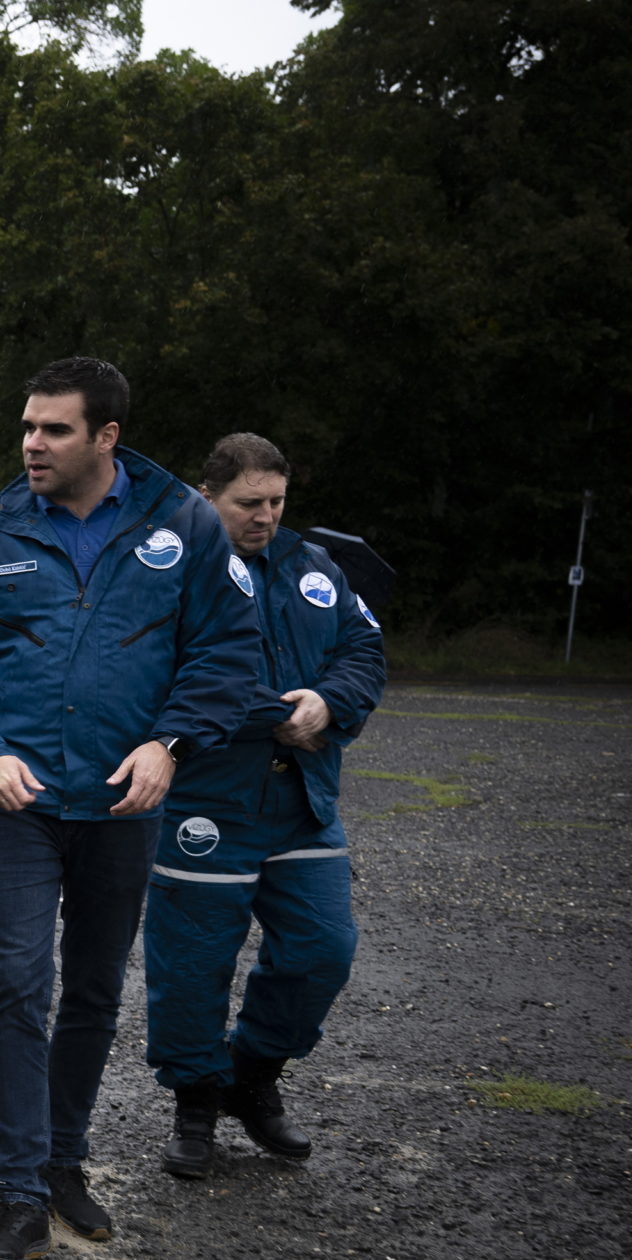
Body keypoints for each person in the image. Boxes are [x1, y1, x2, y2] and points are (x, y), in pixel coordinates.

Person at [0, 357, 264, 1260]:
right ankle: (20, 1193)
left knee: (96, 991)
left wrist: (169, 742)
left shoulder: (182, 522)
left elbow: (226, 646)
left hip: (122, 804)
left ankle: (63, 1159)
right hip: (19, 804)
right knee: (18, 984)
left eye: (55, 429)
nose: (33, 443)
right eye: (28, 426)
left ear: (106, 436)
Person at [144, 433, 386, 1177]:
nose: (266, 516)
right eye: (249, 503)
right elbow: (158, 670)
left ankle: (250, 1077)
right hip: (206, 799)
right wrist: (274, 711)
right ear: (207, 496)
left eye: (277, 501)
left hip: (302, 795)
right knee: (192, 964)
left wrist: (328, 702)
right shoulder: (166, 567)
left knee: (323, 949)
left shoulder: (315, 566)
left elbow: (363, 650)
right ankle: (194, 1102)